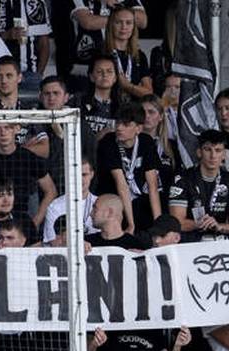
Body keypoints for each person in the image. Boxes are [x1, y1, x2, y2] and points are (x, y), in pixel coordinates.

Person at [0, 120, 56, 230]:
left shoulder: (28, 158)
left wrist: (35, 222)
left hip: (21, 221)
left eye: (7, 128)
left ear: (16, 129)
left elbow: (51, 191)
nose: (3, 133)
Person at [92, 103, 161, 233]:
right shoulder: (108, 142)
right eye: (118, 123)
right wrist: (131, 224)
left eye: (126, 124)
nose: (119, 128)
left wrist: (158, 223)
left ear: (138, 128)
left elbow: (153, 186)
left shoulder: (146, 142)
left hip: (139, 200)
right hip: (114, 201)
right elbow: (121, 184)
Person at [168, 129, 229, 241]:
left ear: (224, 155)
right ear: (199, 152)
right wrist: (199, 224)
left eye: (218, 150)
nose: (213, 155)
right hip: (190, 242)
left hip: (221, 242)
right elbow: (176, 223)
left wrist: (219, 226)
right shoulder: (182, 179)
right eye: (208, 149)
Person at [43, 156, 97, 245]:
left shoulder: (100, 204)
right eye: (76, 175)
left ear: (92, 174)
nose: (80, 179)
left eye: (84, 174)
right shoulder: (55, 206)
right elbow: (52, 242)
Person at [77, 54, 118, 152]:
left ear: (115, 78)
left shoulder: (121, 105)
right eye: (99, 71)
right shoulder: (78, 101)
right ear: (91, 76)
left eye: (109, 71)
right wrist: (99, 136)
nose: (105, 75)